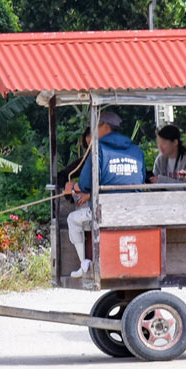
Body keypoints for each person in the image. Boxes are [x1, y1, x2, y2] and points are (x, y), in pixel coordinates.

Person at [62, 109, 144, 278]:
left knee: (72, 219)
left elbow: (85, 184)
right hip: (133, 210)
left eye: (94, 127)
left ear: (105, 126)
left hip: (105, 212)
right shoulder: (137, 151)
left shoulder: (98, 150)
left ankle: (84, 263)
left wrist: (72, 187)